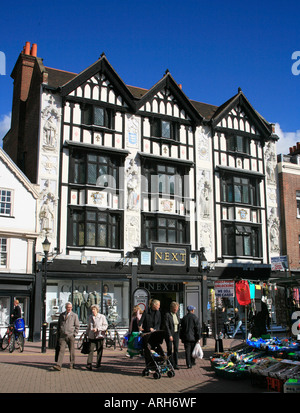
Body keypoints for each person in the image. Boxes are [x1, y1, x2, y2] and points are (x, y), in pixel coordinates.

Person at [53, 302, 80, 371]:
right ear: (66, 307)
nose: (69, 309)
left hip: (70, 335)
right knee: (61, 350)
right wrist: (58, 334)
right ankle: (58, 365)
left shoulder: (74, 315)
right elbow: (59, 325)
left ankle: (72, 364)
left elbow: (77, 326)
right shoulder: (62, 315)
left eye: (70, 308)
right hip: (62, 336)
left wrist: (74, 334)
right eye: (68, 307)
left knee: (72, 351)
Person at [86, 304, 108, 370]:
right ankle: (89, 364)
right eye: (92, 309)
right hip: (92, 336)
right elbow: (89, 326)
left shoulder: (102, 317)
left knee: (99, 350)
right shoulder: (90, 317)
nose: (93, 311)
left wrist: (98, 329)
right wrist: (86, 333)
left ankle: (98, 363)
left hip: (99, 336)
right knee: (90, 350)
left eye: (94, 309)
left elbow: (105, 326)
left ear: (97, 310)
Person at [164, 301, 180, 369]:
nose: (177, 310)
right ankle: (169, 363)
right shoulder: (167, 315)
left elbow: (178, 324)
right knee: (169, 349)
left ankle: (176, 364)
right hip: (170, 333)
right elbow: (166, 325)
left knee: (176, 349)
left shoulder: (177, 315)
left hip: (176, 333)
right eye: (176, 309)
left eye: (177, 309)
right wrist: (170, 335)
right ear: (172, 308)